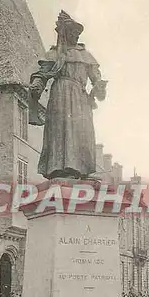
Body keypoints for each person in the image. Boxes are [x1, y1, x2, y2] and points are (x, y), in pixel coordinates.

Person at [29, 10, 107, 180]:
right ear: (64, 33)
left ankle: (81, 169)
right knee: (60, 130)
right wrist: (37, 84)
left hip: (80, 99)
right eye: (72, 32)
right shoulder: (55, 54)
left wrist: (99, 87)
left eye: (77, 33)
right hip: (60, 96)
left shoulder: (86, 56)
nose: (76, 36)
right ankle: (58, 168)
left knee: (81, 132)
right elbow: (43, 73)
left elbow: (96, 78)